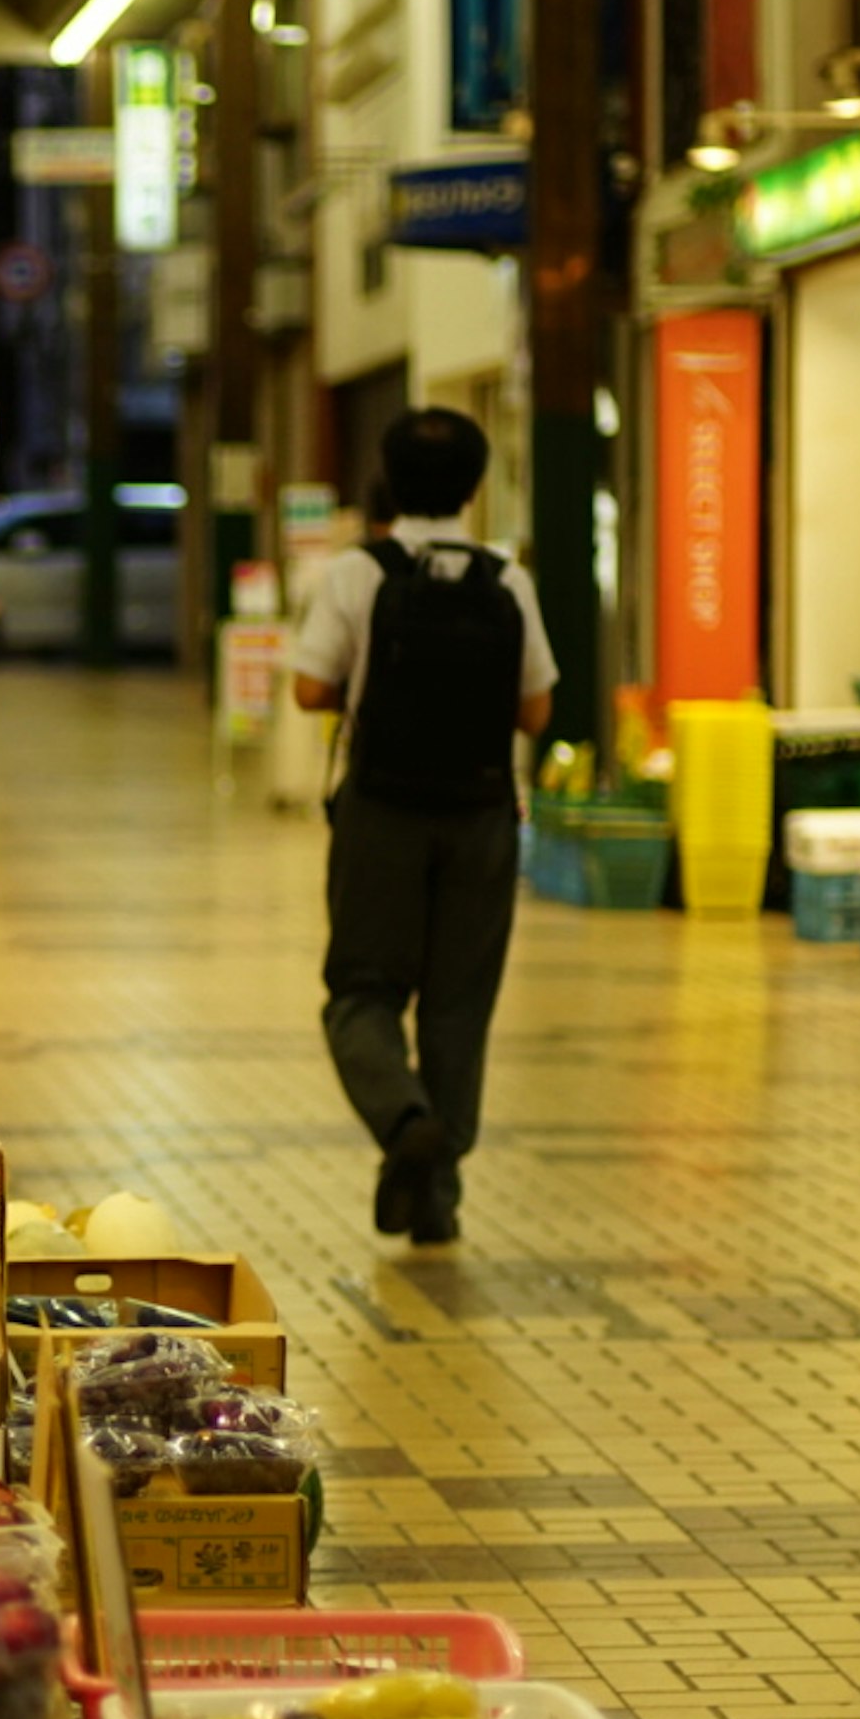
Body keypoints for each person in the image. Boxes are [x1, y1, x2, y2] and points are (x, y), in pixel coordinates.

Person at [290, 407, 557, 1249]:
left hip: (382, 819)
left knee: (361, 996)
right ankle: (437, 1197)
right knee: (458, 1008)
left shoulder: (357, 574)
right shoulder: (507, 580)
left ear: (389, 484)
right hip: (481, 820)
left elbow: (306, 690)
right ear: (477, 488)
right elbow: (537, 707)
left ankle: (405, 1121)